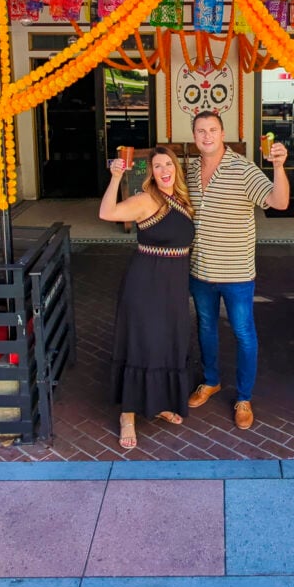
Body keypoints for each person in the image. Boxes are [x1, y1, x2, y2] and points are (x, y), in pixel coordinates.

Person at [186, 110, 290, 430]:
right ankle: (211, 380)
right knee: (206, 327)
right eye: (201, 131)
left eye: (212, 130)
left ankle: (243, 396)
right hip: (200, 270)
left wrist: (278, 166)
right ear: (194, 136)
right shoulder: (190, 170)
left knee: (244, 333)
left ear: (222, 133)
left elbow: (279, 201)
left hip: (236, 273)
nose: (207, 136)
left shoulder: (244, 169)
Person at [99, 146, 195, 450]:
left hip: (174, 285)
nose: (164, 170)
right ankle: (127, 415)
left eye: (169, 164)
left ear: (176, 168)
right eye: (157, 166)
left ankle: (161, 403)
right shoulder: (147, 200)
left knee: (168, 341)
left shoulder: (181, 200)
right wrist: (115, 178)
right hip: (146, 284)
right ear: (150, 172)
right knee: (142, 342)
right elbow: (107, 213)